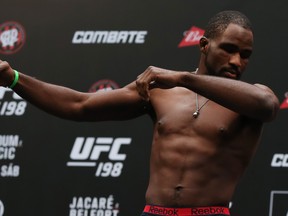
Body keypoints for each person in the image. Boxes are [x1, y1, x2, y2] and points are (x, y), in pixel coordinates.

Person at [0, 10, 280, 216]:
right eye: (229, 49)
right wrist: (13, 78)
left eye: (245, 55)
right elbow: (79, 105)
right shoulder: (162, 91)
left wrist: (182, 77)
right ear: (205, 45)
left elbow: (268, 105)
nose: (236, 61)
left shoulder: (248, 99)